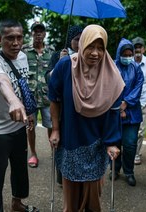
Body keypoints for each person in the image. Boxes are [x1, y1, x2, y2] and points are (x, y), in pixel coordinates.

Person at [48, 24, 123, 211]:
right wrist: (55, 129)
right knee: (71, 199)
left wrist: (112, 142)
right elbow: (54, 98)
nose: (95, 53)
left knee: (93, 199)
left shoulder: (111, 72)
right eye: (90, 46)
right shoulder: (66, 65)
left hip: (97, 141)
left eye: (100, 48)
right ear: (81, 45)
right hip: (70, 137)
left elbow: (113, 111)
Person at [0, 19, 38, 212]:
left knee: (20, 171)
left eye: (19, 38)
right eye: (10, 38)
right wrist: (13, 101)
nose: (15, 43)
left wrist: (27, 110)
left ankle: (17, 203)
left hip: (18, 127)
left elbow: (22, 85)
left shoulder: (22, 57)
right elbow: (3, 81)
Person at [47, 25, 83, 186]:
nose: (79, 42)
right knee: (61, 140)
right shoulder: (58, 55)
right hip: (61, 105)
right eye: (76, 39)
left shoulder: (85, 55)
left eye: (82, 39)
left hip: (78, 105)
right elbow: (49, 78)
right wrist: (60, 63)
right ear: (70, 40)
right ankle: (61, 175)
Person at [111, 38, 143, 186]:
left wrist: (126, 103)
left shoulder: (136, 68)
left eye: (131, 53)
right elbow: (108, 87)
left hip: (132, 112)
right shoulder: (112, 66)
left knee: (130, 144)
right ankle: (114, 169)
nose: (128, 56)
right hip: (114, 112)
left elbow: (138, 87)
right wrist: (118, 105)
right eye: (125, 53)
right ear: (119, 53)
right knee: (114, 142)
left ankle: (129, 172)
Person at [22, 22, 54, 168]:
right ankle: (33, 154)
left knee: (51, 126)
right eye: (36, 31)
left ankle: (54, 151)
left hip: (48, 97)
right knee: (30, 127)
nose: (38, 34)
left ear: (45, 34)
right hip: (30, 98)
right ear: (32, 34)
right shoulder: (24, 51)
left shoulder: (51, 51)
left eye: (41, 31)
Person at [132, 37, 146, 165]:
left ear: (144, 48)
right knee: (128, 128)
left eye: (140, 47)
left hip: (145, 100)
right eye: (135, 47)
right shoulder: (128, 61)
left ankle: (136, 154)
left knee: (140, 130)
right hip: (130, 101)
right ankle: (128, 151)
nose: (138, 49)